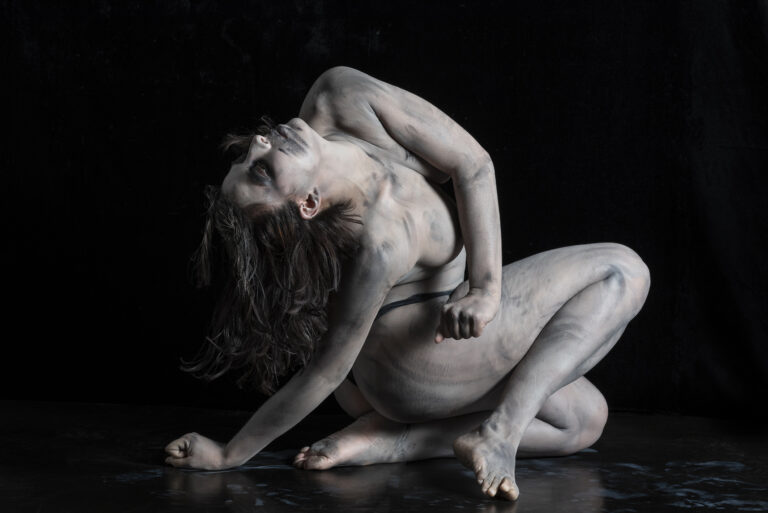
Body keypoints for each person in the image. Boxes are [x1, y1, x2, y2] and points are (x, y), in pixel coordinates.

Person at [164, 66, 650, 501]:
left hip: (433, 347)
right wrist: (229, 454)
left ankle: (397, 441)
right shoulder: (380, 241)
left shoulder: (339, 95)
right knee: (623, 271)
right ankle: (499, 432)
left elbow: (473, 164)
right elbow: (326, 373)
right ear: (307, 204)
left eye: (249, 153)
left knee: (583, 420)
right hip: (415, 366)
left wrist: (486, 290)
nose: (261, 142)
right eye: (262, 171)